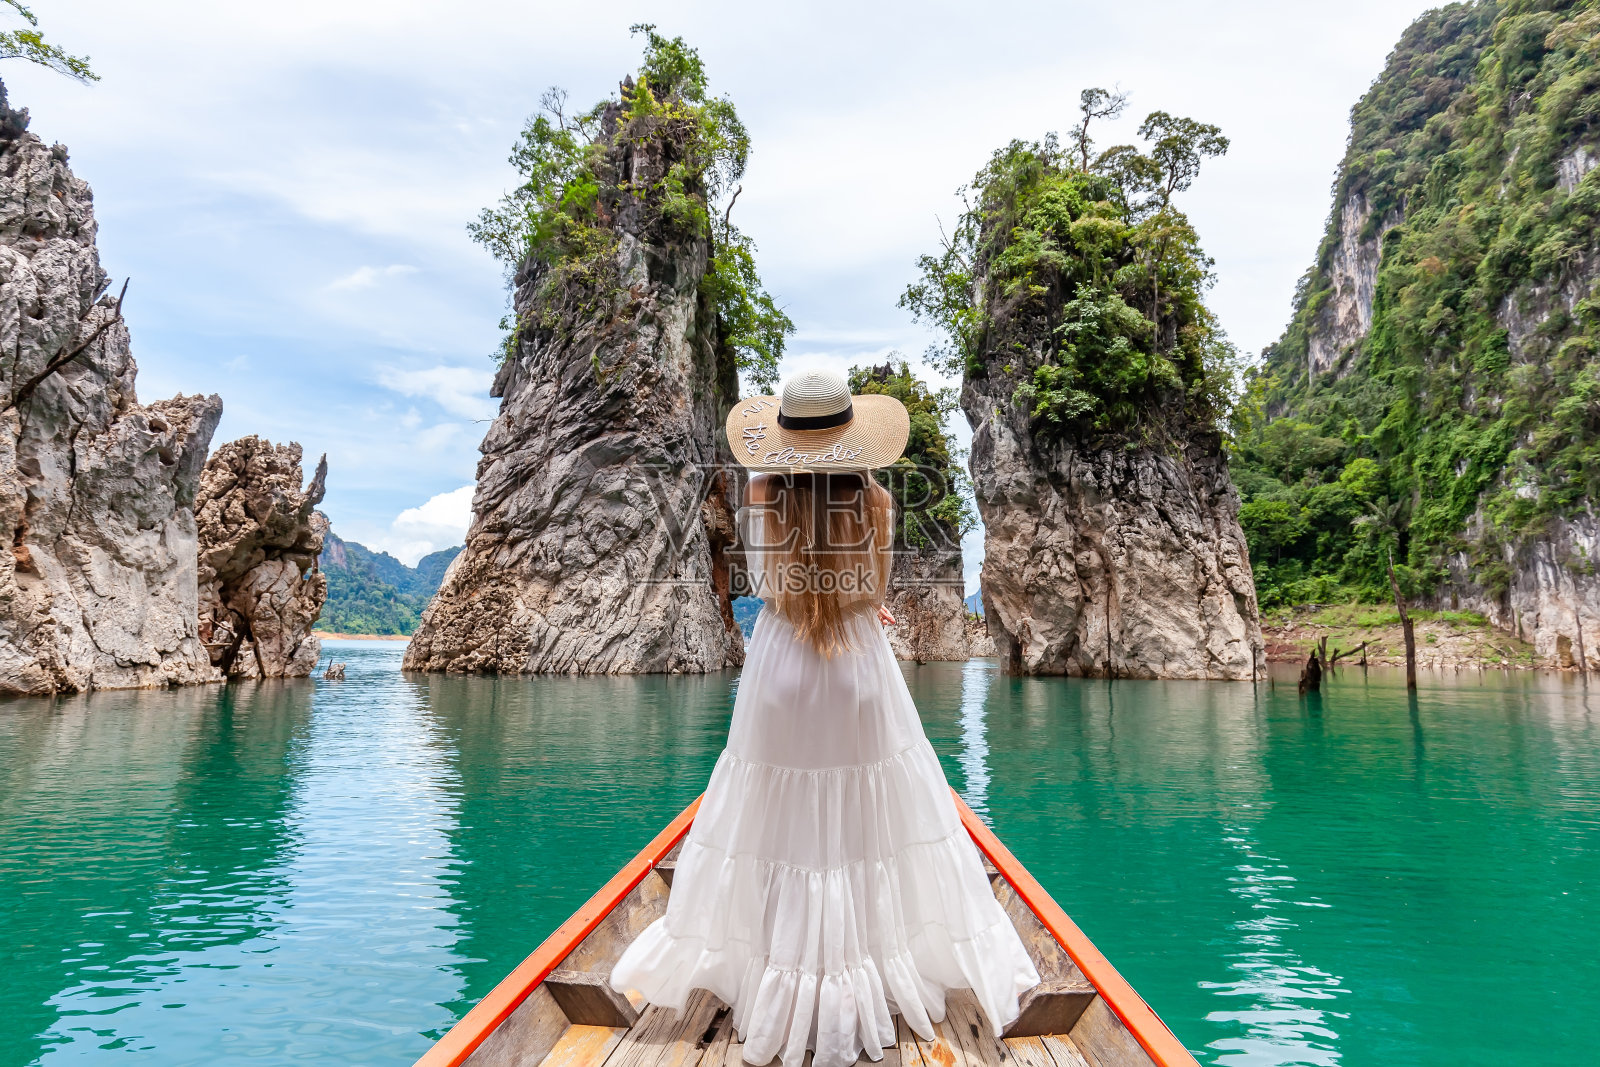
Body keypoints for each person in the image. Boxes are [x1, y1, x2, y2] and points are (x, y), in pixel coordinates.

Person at [610, 370, 1038, 1067]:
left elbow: (783, 586)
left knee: (775, 813)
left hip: (781, 671)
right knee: (867, 816)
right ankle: (865, 954)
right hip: (856, 669)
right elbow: (860, 589)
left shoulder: (757, 494)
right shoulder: (874, 502)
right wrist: (868, 604)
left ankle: (777, 963)